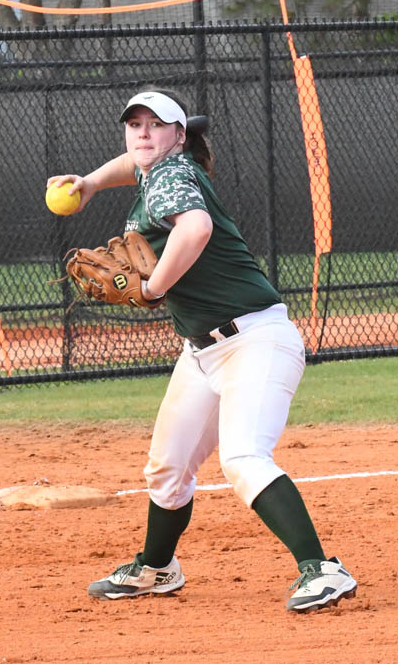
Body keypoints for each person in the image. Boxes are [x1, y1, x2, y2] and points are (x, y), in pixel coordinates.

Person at [47, 87, 356, 613]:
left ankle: (323, 570)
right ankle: (156, 569)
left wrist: (153, 287)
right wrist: (92, 182)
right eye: (135, 124)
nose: (143, 134)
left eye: (155, 125)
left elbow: (196, 227)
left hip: (255, 341)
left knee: (243, 456)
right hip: (203, 351)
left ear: (179, 135)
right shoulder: (157, 169)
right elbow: (132, 164)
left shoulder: (171, 176)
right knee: (167, 467)